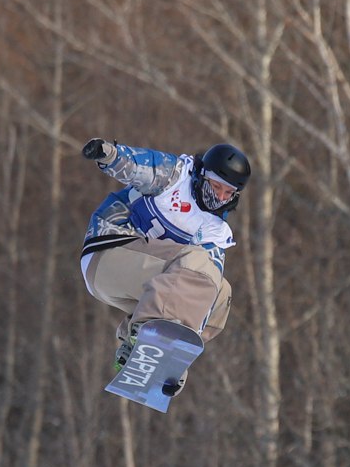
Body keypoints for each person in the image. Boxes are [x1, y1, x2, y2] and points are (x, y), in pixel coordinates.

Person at [79, 138, 252, 391]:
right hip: (107, 254)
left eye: (228, 193)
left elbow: (202, 294)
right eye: (216, 187)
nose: (220, 197)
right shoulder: (175, 176)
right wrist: (109, 155)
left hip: (138, 281)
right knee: (198, 263)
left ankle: (150, 347)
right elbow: (138, 166)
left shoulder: (215, 230)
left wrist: (174, 364)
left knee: (219, 291)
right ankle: (149, 332)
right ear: (202, 175)